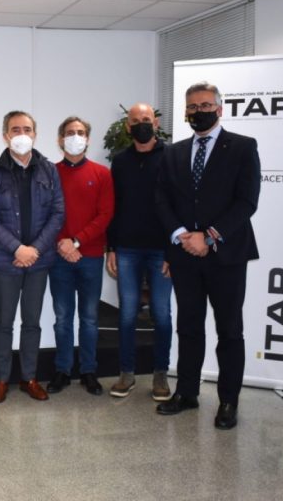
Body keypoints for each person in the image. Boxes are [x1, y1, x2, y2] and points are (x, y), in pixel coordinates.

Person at [155, 82, 261, 430]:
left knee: (229, 330)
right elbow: (163, 200)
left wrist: (209, 237)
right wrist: (181, 236)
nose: (198, 112)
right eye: (192, 107)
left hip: (226, 256)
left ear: (219, 109)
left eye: (204, 105)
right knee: (189, 326)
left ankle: (228, 401)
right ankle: (186, 393)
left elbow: (246, 201)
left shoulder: (243, 148)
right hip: (185, 254)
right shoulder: (173, 152)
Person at [0, 110, 65, 403]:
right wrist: (17, 248)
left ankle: (29, 377)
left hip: (39, 262)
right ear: (5, 135)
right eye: (15, 129)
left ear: (35, 134)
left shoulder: (49, 170)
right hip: (6, 261)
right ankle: (1, 380)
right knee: (3, 323)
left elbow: (57, 213)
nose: (21, 134)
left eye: (27, 129)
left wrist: (34, 250)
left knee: (32, 322)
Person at [106, 103, 173, 401]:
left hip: (162, 249)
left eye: (146, 119)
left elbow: (180, 204)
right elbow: (113, 207)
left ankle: (160, 374)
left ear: (156, 123)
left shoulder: (172, 156)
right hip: (128, 248)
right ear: (127, 127)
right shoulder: (119, 161)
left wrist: (175, 250)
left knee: (161, 313)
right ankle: (127, 374)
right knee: (127, 314)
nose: (141, 124)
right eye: (136, 121)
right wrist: (111, 248)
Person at [47, 117, 114, 397]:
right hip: (58, 256)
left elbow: (105, 215)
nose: (76, 136)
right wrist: (62, 244)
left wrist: (76, 241)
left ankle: (89, 370)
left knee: (88, 318)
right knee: (63, 317)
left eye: (81, 132)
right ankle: (63, 369)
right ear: (60, 139)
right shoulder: (49, 173)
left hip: (90, 256)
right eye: (70, 133)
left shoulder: (102, 174)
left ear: (88, 138)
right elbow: (45, 214)